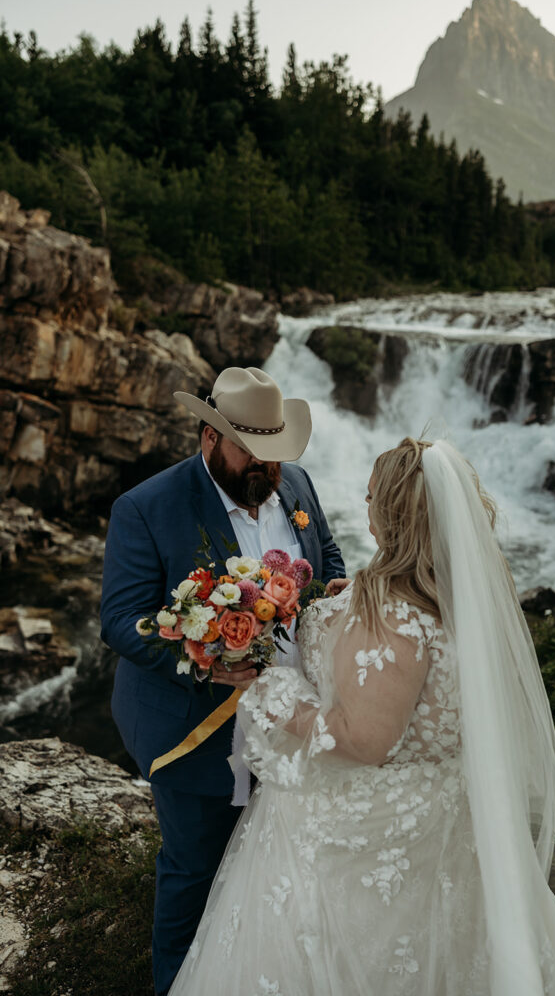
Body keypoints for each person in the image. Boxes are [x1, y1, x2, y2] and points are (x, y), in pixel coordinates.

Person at [169, 436, 555, 996]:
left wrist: (272, 687)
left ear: (393, 513)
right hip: (443, 816)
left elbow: (362, 739)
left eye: (371, 497)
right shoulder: (463, 589)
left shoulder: (391, 614)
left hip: (358, 837)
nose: (364, 507)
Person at [100, 367, 346, 996]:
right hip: (197, 727)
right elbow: (122, 621)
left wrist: (334, 591)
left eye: (274, 450)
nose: (268, 465)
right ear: (209, 435)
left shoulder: (298, 485)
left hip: (294, 721)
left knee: (275, 868)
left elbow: (329, 557)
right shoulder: (146, 507)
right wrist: (203, 658)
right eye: (251, 449)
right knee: (193, 870)